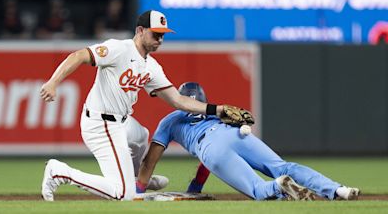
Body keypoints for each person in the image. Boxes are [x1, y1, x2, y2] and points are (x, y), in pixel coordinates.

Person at [40, 10, 245, 201]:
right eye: (156, 34)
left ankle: (137, 178)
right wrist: (53, 82)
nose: (160, 40)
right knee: (123, 194)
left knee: (140, 136)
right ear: (140, 31)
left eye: (163, 35)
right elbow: (78, 55)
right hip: (101, 124)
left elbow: (178, 100)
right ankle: (59, 172)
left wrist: (217, 109)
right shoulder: (119, 49)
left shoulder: (151, 66)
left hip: (122, 121)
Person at [136, 82, 360, 201]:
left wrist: (138, 190)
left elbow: (149, 162)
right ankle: (338, 190)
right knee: (283, 165)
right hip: (235, 133)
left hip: (210, 147)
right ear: (203, 100)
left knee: (257, 189)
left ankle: (277, 185)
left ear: (181, 100)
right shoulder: (214, 111)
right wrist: (196, 186)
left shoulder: (170, 121)